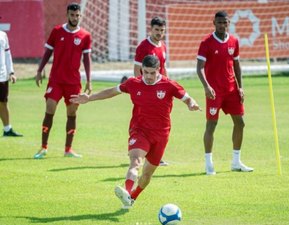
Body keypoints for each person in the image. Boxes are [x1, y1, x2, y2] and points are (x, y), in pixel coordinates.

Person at [70, 55, 200, 208]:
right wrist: (89, 98)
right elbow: (112, 91)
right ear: (141, 70)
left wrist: (192, 104)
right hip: (140, 131)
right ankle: (126, 192)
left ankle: (132, 197)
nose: (149, 76)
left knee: (146, 175)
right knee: (135, 162)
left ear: (159, 70)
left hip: (161, 135)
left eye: (153, 73)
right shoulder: (133, 83)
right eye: (146, 72)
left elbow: (187, 98)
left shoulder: (169, 85)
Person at [196, 11, 253, 175]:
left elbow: (237, 66)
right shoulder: (206, 42)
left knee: (240, 123)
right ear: (214, 22)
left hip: (231, 90)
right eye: (219, 22)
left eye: (225, 22)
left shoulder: (234, 41)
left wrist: (240, 87)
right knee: (211, 125)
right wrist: (206, 87)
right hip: (214, 92)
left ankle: (236, 162)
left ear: (229, 23)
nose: (222, 25)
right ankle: (209, 164)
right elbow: (199, 68)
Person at [33, 2, 92, 159]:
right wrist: (39, 70)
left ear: (80, 15)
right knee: (50, 109)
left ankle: (68, 150)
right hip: (56, 80)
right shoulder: (57, 31)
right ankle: (43, 147)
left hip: (73, 82)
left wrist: (89, 80)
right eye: (72, 15)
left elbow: (87, 59)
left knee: (72, 113)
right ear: (67, 15)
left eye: (77, 15)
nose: (75, 18)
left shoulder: (85, 35)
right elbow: (47, 52)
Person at [134, 16, 168, 166]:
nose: (159, 33)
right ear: (151, 29)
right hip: (146, 92)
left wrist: (167, 85)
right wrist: (141, 90)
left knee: (160, 123)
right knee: (144, 123)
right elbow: (137, 70)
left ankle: (155, 156)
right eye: (156, 30)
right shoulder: (143, 47)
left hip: (160, 92)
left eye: (162, 30)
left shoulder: (163, 46)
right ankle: (137, 149)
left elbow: (163, 68)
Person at [0, 30, 22, 137]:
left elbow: (7, 54)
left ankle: (7, 130)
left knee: (3, 103)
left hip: (2, 76)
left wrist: (11, 72)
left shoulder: (3, 35)